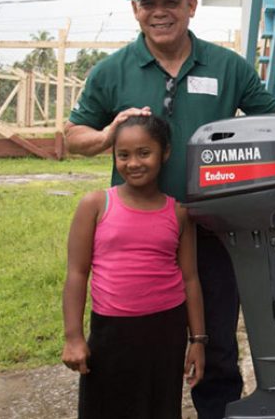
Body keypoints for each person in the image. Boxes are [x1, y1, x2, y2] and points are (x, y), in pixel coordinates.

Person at [63, 0, 275, 419]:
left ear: (190, 5)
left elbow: (267, 115)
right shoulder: (112, 71)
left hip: (214, 230)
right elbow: (73, 136)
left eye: (169, 0)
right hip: (141, 238)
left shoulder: (227, 66)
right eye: (147, 2)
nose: (159, 11)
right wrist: (107, 135)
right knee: (137, 347)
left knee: (214, 345)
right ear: (135, 10)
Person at [61, 115, 205, 419]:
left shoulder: (178, 213)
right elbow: (76, 272)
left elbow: (190, 279)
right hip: (111, 332)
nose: (133, 163)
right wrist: (73, 337)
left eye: (144, 153)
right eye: (123, 155)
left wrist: (198, 341)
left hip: (166, 331)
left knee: (160, 408)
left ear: (164, 153)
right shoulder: (95, 205)